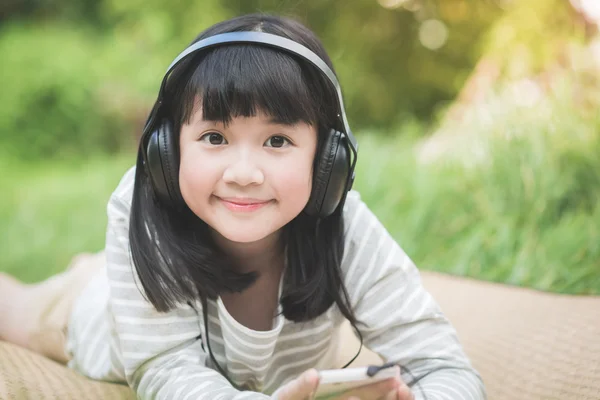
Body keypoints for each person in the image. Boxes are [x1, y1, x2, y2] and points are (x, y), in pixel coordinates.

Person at [0, 13, 485, 400]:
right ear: (167, 153)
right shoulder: (142, 209)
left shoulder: (347, 228)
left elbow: (442, 365)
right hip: (97, 311)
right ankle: (78, 276)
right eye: (214, 137)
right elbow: (166, 370)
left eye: (277, 140)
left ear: (327, 162)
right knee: (16, 310)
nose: (244, 172)